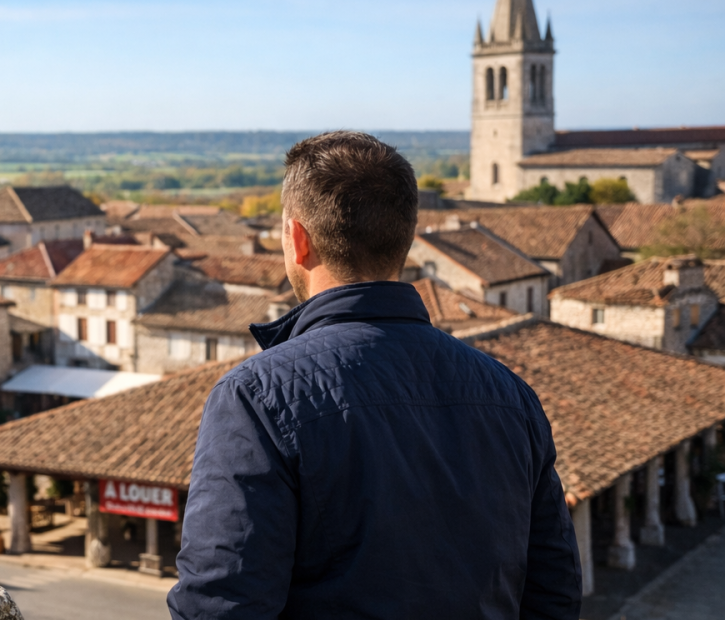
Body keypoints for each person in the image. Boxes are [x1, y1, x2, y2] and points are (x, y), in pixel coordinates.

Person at [167, 132, 581, 619]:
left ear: (297, 240)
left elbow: (220, 605)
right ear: (405, 238)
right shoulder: (510, 395)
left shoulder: (255, 398)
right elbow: (553, 591)